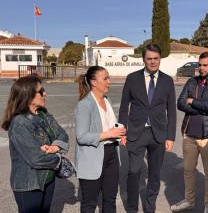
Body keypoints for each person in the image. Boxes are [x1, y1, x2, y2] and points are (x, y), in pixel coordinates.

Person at [119, 44, 176, 213]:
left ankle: (150, 207)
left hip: (158, 134)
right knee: (134, 172)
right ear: (144, 59)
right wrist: (122, 131)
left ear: (160, 59)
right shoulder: (132, 78)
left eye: (155, 58)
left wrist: (170, 137)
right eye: (149, 58)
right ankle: (131, 208)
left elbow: (171, 110)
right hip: (136, 132)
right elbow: (123, 107)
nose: (152, 62)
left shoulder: (167, 80)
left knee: (154, 175)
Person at [1, 75, 69, 213]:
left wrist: (54, 147)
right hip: (29, 185)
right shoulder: (19, 123)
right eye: (41, 91)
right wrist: (59, 158)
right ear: (28, 96)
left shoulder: (44, 114)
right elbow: (36, 159)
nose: (45, 94)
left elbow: (63, 135)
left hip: (48, 180)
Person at [171, 51, 208, 213]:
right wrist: (200, 106)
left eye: (205, 65)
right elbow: (180, 103)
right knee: (188, 170)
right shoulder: (191, 81)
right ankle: (189, 201)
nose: (201, 68)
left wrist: (192, 101)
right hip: (189, 134)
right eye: (200, 65)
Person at [75, 66, 126, 213]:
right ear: (94, 82)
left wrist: (120, 132)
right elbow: (82, 136)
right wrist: (109, 134)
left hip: (111, 154)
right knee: (89, 203)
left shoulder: (107, 100)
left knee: (110, 199)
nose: (109, 81)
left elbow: (109, 125)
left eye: (108, 78)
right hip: (92, 158)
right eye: (105, 78)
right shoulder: (84, 105)